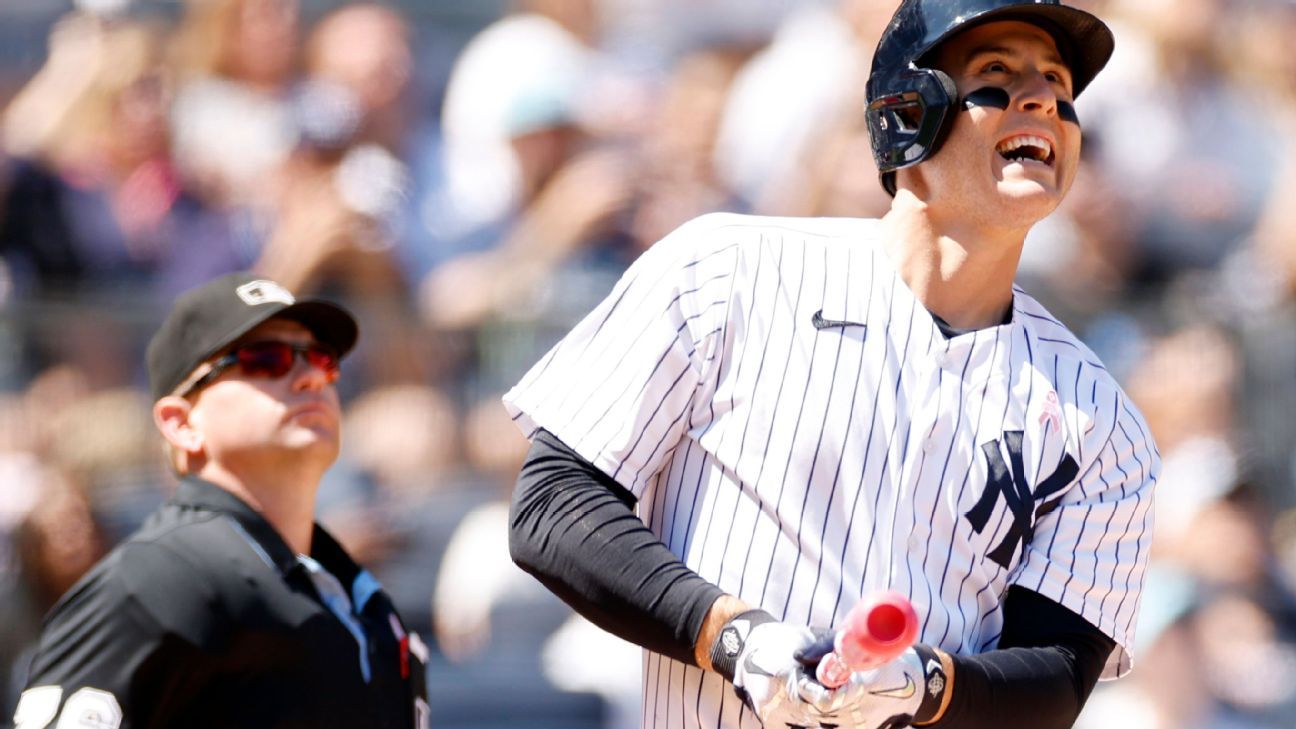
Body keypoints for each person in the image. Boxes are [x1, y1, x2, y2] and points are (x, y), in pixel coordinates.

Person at [502, 1, 1159, 728]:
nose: (1044, 98)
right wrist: (730, 633)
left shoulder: (1101, 420)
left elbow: (1059, 675)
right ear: (909, 115)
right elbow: (553, 506)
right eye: (995, 74)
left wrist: (926, 684)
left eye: (1060, 86)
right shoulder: (725, 271)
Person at [12, 272, 429, 728]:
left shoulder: (361, 600)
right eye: (266, 359)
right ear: (181, 423)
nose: (311, 377)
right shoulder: (155, 581)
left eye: (321, 359)